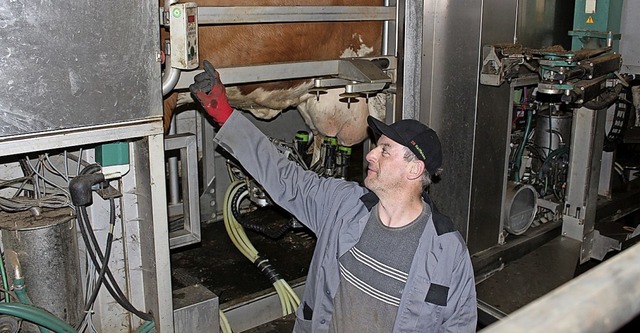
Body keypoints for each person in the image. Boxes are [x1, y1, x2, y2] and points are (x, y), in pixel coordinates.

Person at [190, 61, 477, 332]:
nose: (371, 154)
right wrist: (224, 115)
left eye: (385, 150)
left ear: (414, 169)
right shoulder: (342, 206)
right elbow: (283, 177)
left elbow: (459, 325)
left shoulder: (447, 251)